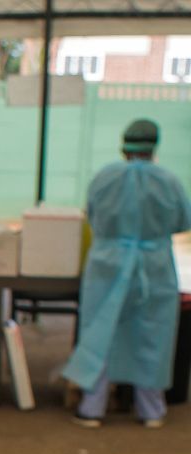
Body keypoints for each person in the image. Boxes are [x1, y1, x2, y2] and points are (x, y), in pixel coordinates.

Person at [65, 118, 191, 428]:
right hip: (154, 265)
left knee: (100, 332)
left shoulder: (104, 178)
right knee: (153, 334)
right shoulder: (169, 181)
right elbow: (182, 221)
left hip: (108, 263)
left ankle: (93, 406)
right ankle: (151, 409)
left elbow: (92, 216)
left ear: (125, 145)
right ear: (153, 146)